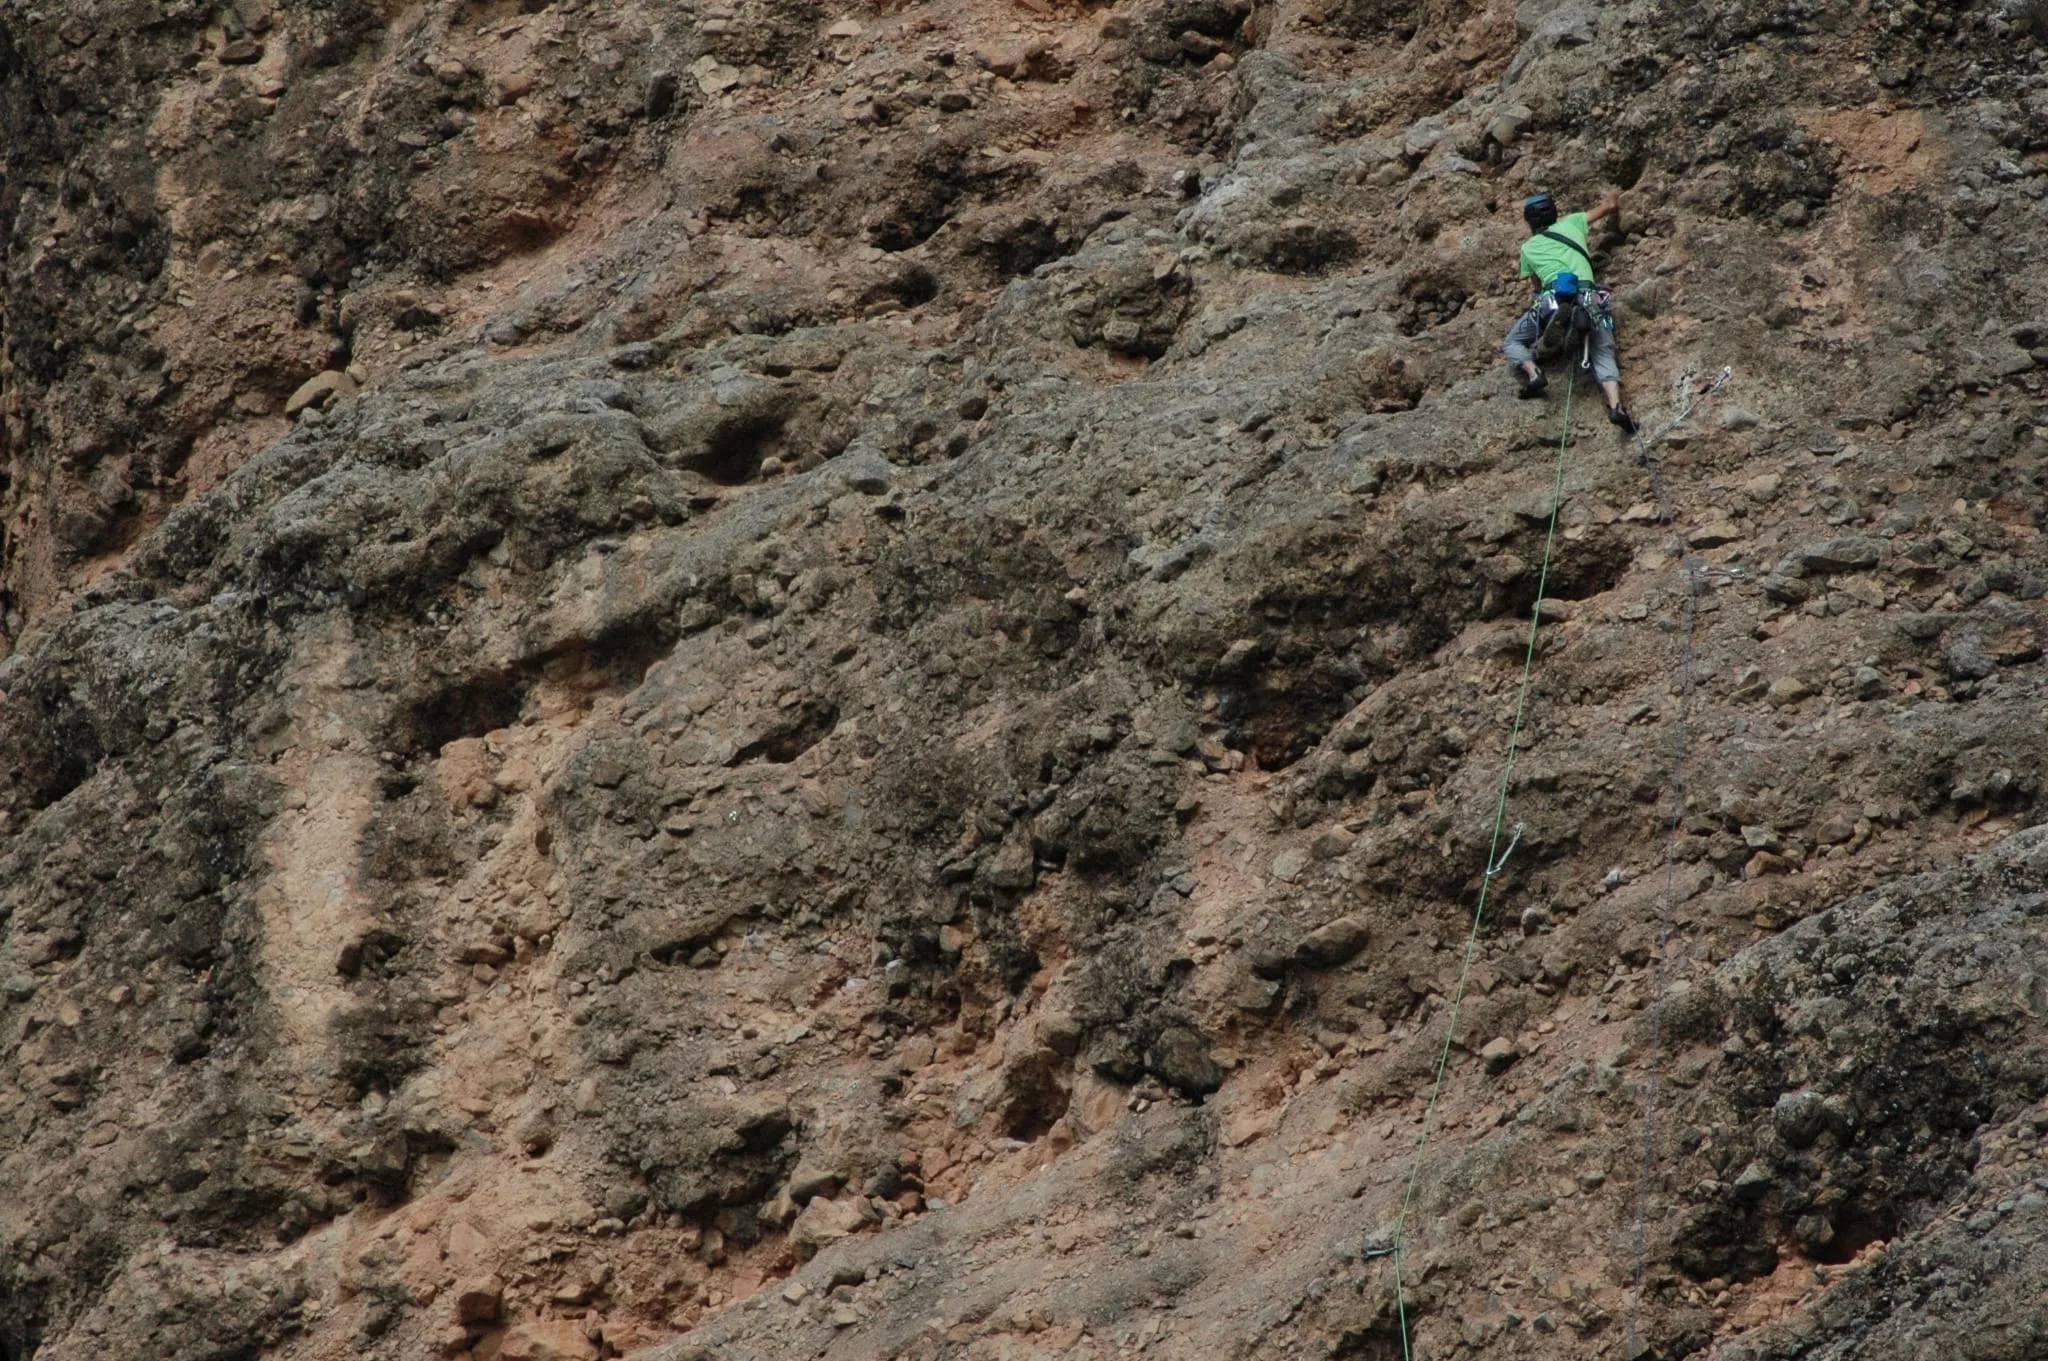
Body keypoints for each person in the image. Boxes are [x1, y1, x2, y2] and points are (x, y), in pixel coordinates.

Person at [1502, 189, 1637, 434]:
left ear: (1529, 221)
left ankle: (1535, 372)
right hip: (1590, 297)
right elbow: (1608, 207)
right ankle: (1616, 406)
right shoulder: (1572, 223)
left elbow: (1536, 288)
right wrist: (1615, 193)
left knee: (1513, 342)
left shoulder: (1528, 248)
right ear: (1554, 212)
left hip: (1551, 298)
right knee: (1602, 352)